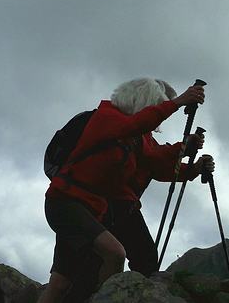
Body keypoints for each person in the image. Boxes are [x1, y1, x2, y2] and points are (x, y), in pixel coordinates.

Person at [38, 78, 209, 303]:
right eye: (154, 106)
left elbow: (153, 160)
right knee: (114, 254)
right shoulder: (107, 117)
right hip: (67, 203)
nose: (154, 116)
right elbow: (139, 130)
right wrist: (178, 103)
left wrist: (187, 155)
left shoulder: (136, 135)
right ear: (143, 102)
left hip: (90, 210)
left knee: (61, 282)